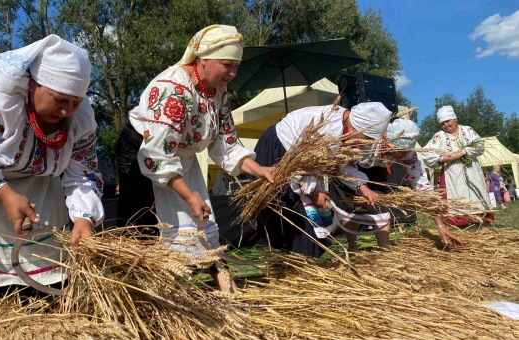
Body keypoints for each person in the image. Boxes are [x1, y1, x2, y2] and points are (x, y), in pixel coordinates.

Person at [0, 35, 104, 303]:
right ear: (33, 84)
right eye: (59, 99)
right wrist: (2, 193)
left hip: (42, 193)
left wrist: (84, 218)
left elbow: (82, 172)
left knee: (43, 290)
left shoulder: (81, 118)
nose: (66, 111)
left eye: (75, 101)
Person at [114, 25, 272, 293]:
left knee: (203, 223)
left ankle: (227, 289)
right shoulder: (172, 90)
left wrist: (258, 169)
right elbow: (157, 154)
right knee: (146, 231)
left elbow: (225, 141)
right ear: (202, 58)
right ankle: (146, 295)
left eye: (236, 66)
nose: (232, 73)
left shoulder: (217, 91)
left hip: (179, 158)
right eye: (227, 65)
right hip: (143, 154)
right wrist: (188, 196)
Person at [254, 102, 391, 258]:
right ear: (355, 127)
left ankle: (293, 264)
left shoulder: (348, 134)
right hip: (279, 153)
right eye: (365, 138)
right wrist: (313, 193)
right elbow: (301, 163)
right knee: (295, 223)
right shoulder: (326, 128)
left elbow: (342, 165)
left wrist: (363, 188)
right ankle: (292, 265)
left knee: (309, 233)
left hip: (302, 172)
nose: (364, 143)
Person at [343, 118, 463, 250]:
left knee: (381, 206)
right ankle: (352, 248)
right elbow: (345, 166)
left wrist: (441, 225)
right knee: (351, 207)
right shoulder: (369, 139)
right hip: (353, 167)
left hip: (379, 170)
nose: (402, 155)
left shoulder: (408, 155)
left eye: (406, 151)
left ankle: (385, 250)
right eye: (400, 151)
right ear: (387, 142)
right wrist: (362, 187)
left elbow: (422, 187)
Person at [422, 106, 493, 227]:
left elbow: (479, 145)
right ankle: (462, 227)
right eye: (442, 123)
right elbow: (427, 155)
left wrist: (463, 152)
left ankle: (483, 227)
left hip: (473, 172)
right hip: (452, 175)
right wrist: (448, 158)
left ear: (455, 119)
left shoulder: (467, 130)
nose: (446, 125)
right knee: (458, 199)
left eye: (448, 121)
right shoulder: (439, 136)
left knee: (478, 196)